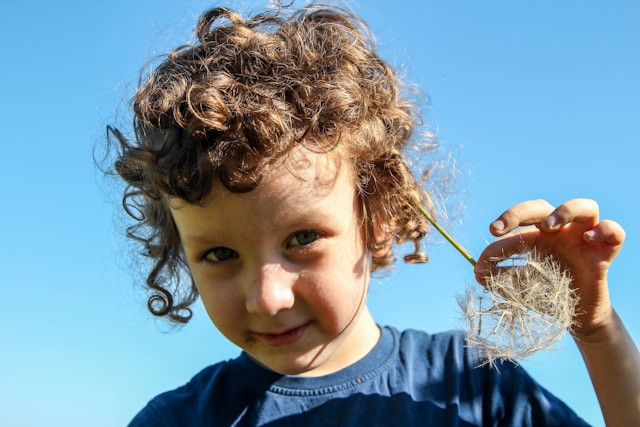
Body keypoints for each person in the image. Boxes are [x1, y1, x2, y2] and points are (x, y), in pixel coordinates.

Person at [108, 2, 639, 425]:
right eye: (220, 253)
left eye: (302, 238)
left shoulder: (472, 385)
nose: (267, 298)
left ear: (379, 211)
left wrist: (595, 330)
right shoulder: (176, 418)